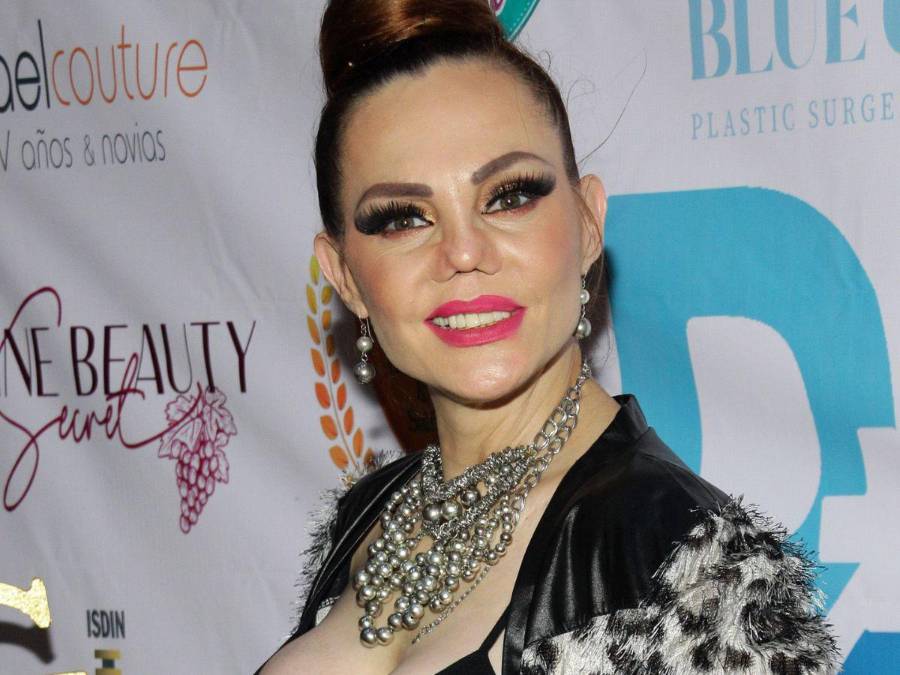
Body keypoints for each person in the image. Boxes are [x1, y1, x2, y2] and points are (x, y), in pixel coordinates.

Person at [258, 0, 840, 672]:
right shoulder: (366, 515)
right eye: (403, 218)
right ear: (345, 277)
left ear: (588, 223)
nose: (463, 252)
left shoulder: (691, 578)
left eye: (508, 196)